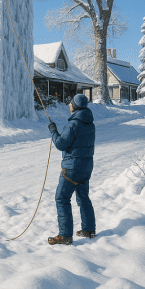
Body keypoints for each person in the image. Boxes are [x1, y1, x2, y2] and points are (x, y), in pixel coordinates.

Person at [47, 93, 97, 245]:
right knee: (83, 198)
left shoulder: (73, 124)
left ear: (75, 106)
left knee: (61, 198)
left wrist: (53, 131)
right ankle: (88, 230)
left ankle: (65, 235)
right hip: (86, 167)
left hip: (71, 168)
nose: (69, 105)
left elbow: (61, 144)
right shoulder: (90, 123)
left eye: (70, 103)